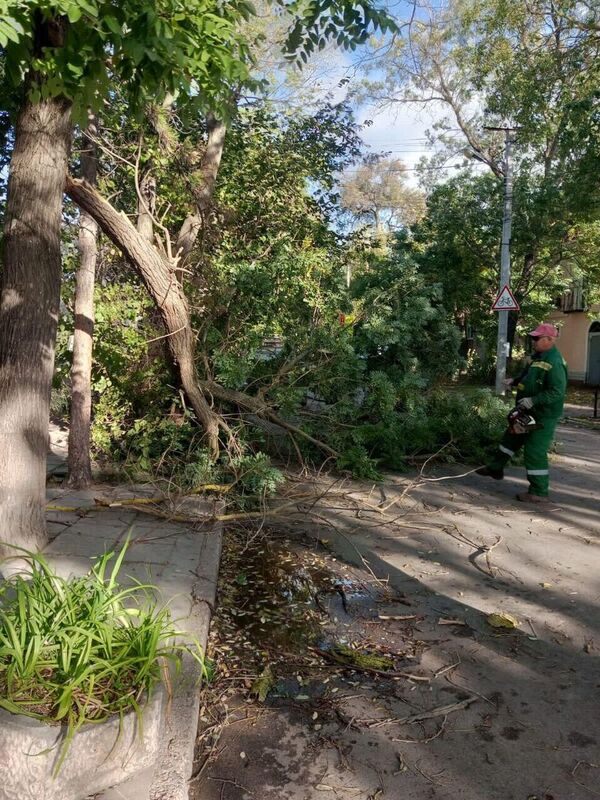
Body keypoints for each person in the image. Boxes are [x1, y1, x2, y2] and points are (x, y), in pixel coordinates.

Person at [477, 323, 568, 503]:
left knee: (534, 451)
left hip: (543, 415)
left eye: (536, 338)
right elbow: (529, 378)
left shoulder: (554, 362)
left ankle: (539, 492)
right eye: (533, 338)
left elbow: (557, 391)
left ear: (550, 339)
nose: (533, 341)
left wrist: (534, 400)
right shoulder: (539, 358)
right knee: (511, 439)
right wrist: (514, 381)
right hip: (528, 411)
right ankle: (496, 468)